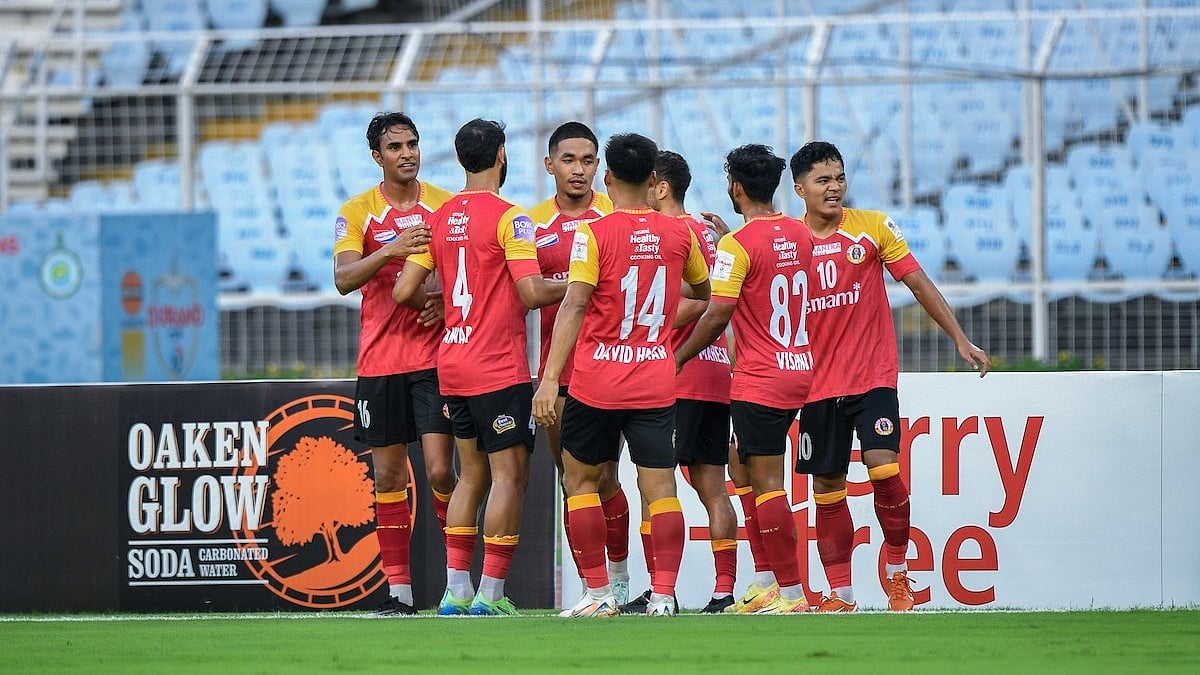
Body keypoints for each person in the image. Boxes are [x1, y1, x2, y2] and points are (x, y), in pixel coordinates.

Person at [789, 140, 990, 612]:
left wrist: (960, 339)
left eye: (839, 177)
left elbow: (917, 281)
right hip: (814, 384)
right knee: (827, 487)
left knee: (883, 465)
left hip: (871, 376)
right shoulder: (790, 243)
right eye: (823, 180)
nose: (834, 187)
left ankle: (899, 578)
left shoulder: (873, 227)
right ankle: (840, 594)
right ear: (800, 189)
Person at [392, 118, 567, 616]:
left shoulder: (440, 216)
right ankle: (490, 595)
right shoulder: (511, 219)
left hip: (451, 362)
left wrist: (443, 301)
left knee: (470, 477)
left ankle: (455, 592)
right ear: (502, 155)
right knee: (509, 476)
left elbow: (404, 291)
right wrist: (584, 284)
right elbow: (532, 293)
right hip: (497, 367)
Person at [533, 133, 711, 618]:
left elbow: (573, 303)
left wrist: (550, 380)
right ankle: (665, 595)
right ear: (655, 180)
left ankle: (597, 595)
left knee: (583, 481)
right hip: (655, 378)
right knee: (660, 490)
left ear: (607, 178)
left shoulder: (595, 233)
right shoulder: (681, 235)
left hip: (597, 380)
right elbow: (703, 289)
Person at [674, 143, 814, 614]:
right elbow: (774, 267)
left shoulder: (736, 246)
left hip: (761, 377)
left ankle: (791, 593)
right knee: (739, 471)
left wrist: (678, 358)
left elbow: (716, 315)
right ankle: (764, 583)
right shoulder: (801, 232)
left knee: (767, 483)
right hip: (802, 368)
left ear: (734, 186)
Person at [332, 111, 457, 616]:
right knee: (387, 478)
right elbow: (343, 279)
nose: (407, 153)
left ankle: (459, 588)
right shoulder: (358, 210)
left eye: (413, 143)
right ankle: (398, 593)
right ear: (376, 156)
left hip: (433, 360)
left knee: (440, 472)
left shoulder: (445, 206)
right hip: (380, 361)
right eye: (395, 146)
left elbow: (470, 272)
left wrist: (446, 300)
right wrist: (391, 250)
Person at [621, 149, 737, 615]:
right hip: (714, 369)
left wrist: (651, 328)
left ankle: (660, 588)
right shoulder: (707, 234)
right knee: (713, 487)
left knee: (656, 486)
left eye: (646, 185)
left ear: (660, 187)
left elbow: (698, 303)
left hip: (681, 373)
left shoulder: (672, 232)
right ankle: (724, 592)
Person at [528, 122, 631, 605]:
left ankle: (620, 580)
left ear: (599, 167)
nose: (578, 170)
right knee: (576, 484)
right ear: (550, 165)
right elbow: (513, 288)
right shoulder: (530, 224)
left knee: (611, 480)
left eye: (588, 160)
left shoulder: (616, 214)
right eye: (568, 160)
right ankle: (592, 590)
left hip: (614, 368)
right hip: (563, 374)